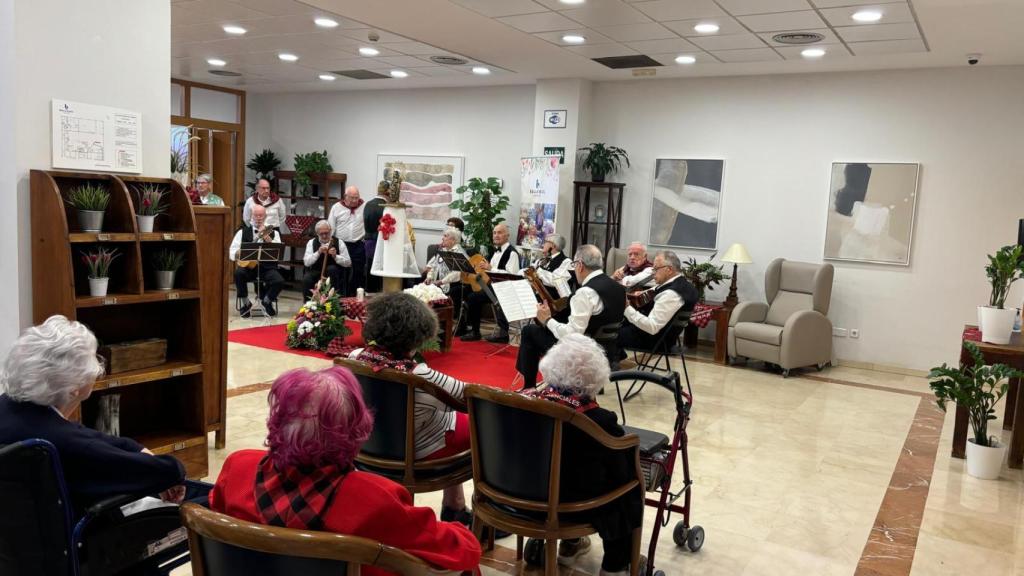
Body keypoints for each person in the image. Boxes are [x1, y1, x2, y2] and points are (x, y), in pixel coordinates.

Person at [209, 366, 480, 576]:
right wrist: (462, 532)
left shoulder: (237, 468)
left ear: (276, 420)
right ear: (357, 432)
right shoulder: (375, 498)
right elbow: (457, 551)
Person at [0, 316, 186, 517]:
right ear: (74, 388)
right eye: (93, 358)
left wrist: (137, 448)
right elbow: (169, 471)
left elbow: (84, 436)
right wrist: (159, 467)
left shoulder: (9, 407)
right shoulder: (67, 445)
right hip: (82, 536)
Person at [344, 293, 475, 525]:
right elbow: (473, 397)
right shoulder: (421, 375)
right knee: (476, 427)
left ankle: (454, 504)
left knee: (447, 418)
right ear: (417, 336)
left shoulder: (354, 358)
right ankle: (469, 511)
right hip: (413, 453)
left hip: (366, 446)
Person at [522, 334, 643, 576]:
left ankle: (571, 545)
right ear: (596, 378)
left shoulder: (524, 404)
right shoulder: (601, 422)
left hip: (519, 496)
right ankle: (615, 565)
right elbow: (622, 470)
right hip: (572, 507)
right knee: (627, 488)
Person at [516, 244, 625, 388]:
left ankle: (529, 387)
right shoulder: (618, 287)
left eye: (573, 265)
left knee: (529, 331)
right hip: (609, 351)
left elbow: (572, 335)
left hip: (585, 354)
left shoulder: (585, 292)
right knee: (546, 328)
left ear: (579, 265)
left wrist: (547, 320)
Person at [617, 251, 698, 358]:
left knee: (607, 333)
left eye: (656, 269)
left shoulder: (671, 294)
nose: (653, 273)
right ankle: (616, 357)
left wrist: (626, 308)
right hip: (665, 338)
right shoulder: (684, 285)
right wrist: (643, 293)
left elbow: (652, 327)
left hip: (653, 340)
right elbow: (657, 290)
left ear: (669, 270)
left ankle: (613, 362)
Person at [461, 223, 521, 343]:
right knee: (467, 289)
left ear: (507, 235)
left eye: (499, 232)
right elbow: (489, 271)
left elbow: (511, 275)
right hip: (494, 287)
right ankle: (466, 327)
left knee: (473, 297)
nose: (496, 235)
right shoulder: (496, 252)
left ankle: (477, 332)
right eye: (494, 233)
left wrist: (490, 268)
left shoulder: (512, 253)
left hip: (504, 289)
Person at [229, 204, 284, 317]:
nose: (258, 218)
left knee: (279, 281)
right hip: (248, 267)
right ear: (251, 216)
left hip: (267, 268)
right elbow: (232, 252)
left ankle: (266, 302)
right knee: (239, 274)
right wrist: (239, 252)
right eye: (256, 215)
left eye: (261, 215)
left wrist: (270, 243)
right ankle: (245, 304)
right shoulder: (242, 232)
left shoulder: (274, 233)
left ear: (265, 216)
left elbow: (278, 253)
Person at [424, 227, 468, 334]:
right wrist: (429, 277)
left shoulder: (459, 252)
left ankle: (443, 326)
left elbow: (457, 273)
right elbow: (432, 266)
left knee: (442, 295)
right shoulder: (442, 251)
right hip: (439, 283)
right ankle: (430, 324)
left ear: (453, 240)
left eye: (445, 236)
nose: (442, 238)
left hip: (455, 284)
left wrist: (441, 282)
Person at [328, 186, 367, 297]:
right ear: (345, 197)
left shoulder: (363, 206)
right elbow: (331, 226)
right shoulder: (336, 207)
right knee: (341, 270)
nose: (355, 201)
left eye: (357, 197)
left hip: (358, 244)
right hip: (341, 244)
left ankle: (354, 295)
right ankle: (340, 295)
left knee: (358, 271)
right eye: (352, 198)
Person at [302, 220, 351, 301]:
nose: (324, 236)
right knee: (307, 279)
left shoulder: (339, 242)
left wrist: (336, 256)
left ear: (330, 231)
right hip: (316, 271)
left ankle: (332, 302)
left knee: (331, 269)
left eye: (326, 233)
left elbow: (348, 262)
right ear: (317, 233)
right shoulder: (311, 243)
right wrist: (318, 252)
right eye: (321, 234)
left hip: (333, 274)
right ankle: (309, 306)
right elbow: (306, 262)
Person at [363, 181, 389, 293]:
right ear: (387, 192)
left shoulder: (368, 204)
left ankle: (369, 292)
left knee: (369, 268)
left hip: (368, 241)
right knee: (379, 270)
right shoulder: (385, 207)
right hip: (380, 242)